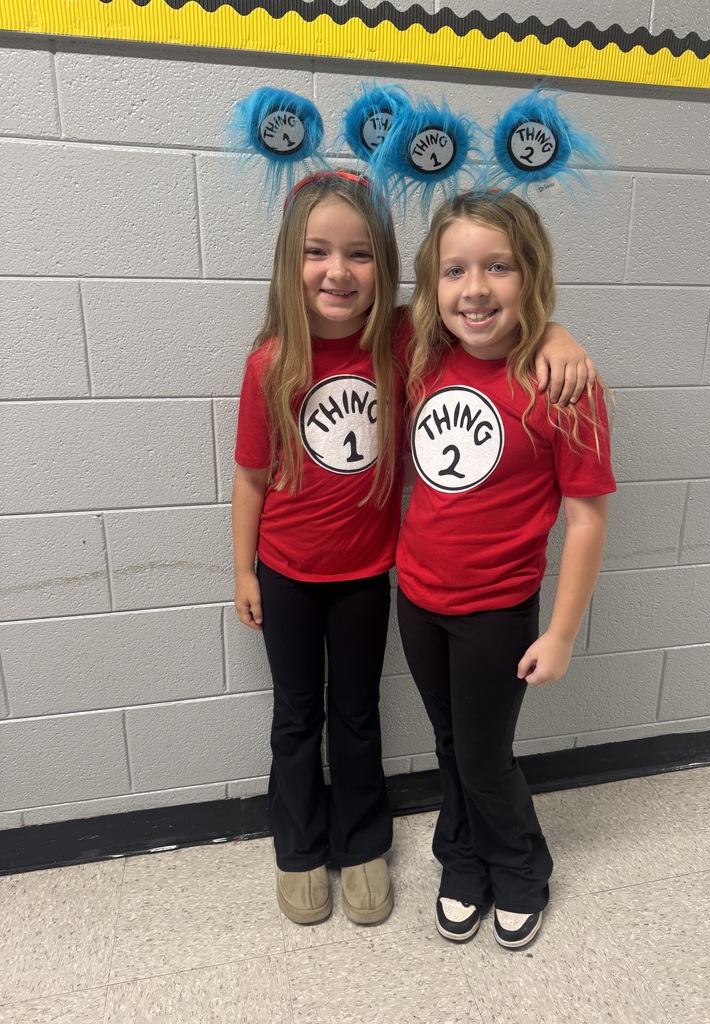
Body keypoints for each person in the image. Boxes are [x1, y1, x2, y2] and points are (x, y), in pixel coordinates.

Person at [231, 171, 596, 928]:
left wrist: (557, 332)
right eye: (317, 252)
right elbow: (250, 475)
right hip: (301, 574)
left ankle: (374, 847)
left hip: (378, 577)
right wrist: (242, 569)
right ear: (289, 260)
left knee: (365, 717)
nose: (338, 272)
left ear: (387, 267)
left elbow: (485, 312)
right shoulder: (278, 361)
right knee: (300, 718)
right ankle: (305, 850)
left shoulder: (403, 342)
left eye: (360, 254)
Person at [396, 191, 616, 949]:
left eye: (499, 267)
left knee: (485, 757)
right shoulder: (420, 357)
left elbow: (587, 519)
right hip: (415, 598)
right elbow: (346, 310)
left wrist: (561, 633)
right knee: (450, 745)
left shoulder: (566, 387)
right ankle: (461, 861)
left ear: (532, 276)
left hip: (496, 611)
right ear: (432, 284)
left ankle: (520, 868)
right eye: (454, 270)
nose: (475, 288)